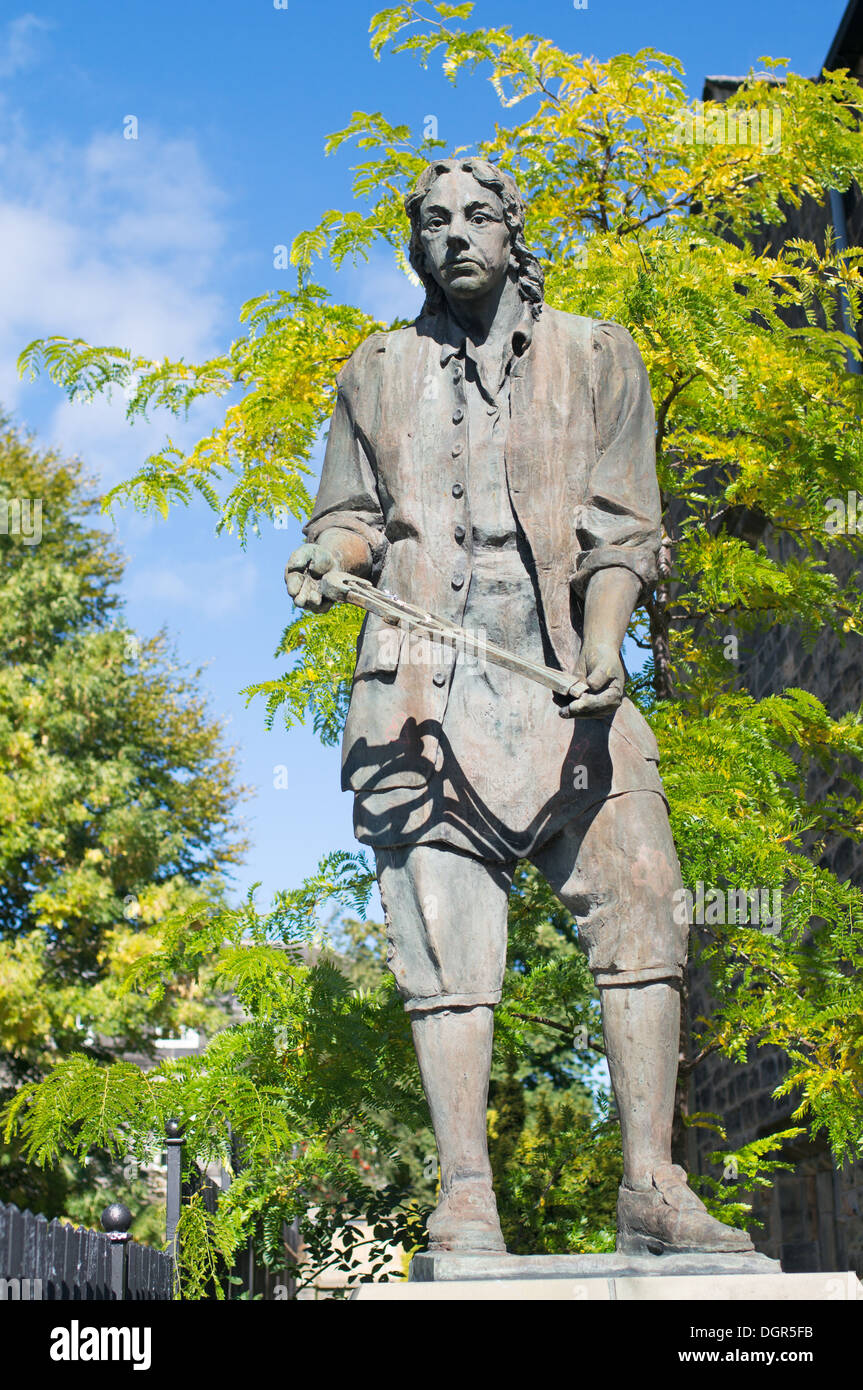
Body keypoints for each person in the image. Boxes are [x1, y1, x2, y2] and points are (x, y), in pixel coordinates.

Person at [286, 158, 752, 1257]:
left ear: (511, 229)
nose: (455, 235)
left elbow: (623, 527)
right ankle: (463, 1194)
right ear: (416, 244)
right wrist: (326, 549)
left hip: (566, 687)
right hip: (418, 690)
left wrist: (602, 646)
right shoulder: (373, 370)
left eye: (476, 216)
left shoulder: (599, 356)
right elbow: (353, 516)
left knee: (645, 897)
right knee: (445, 947)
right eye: (433, 220)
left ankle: (647, 1185)